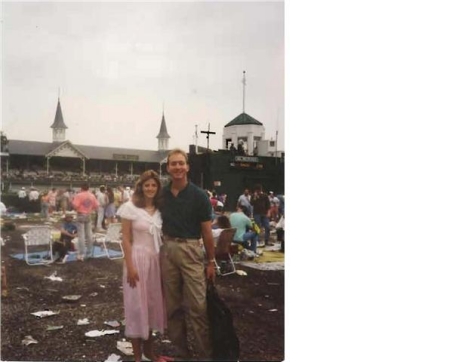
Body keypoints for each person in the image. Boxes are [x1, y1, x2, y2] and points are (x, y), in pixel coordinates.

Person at [160, 148, 215, 360]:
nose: (177, 167)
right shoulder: (162, 194)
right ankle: (182, 355)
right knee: (173, 308)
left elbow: (207, 232)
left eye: (181, 163)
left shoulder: (199, 196)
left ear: (187, 167)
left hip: (191, 249)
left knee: (198, 308)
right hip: (168, 249)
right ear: (168, 168)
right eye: (173, 163)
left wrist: (211, 261)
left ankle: (205, 356)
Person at [116, 170, 166, 362]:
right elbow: (126, 239)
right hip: (137, 260)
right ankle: (138, 357)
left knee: (152, 305)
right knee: (136, 307)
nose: (150, 188)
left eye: (154, 185)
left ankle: (149, 353)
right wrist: (130, 265)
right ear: (141, 187)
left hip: (155, 261)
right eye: (147, 185)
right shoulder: (130, 208)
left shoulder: (161, 209)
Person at [72, 183, 99, 261]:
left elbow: (75, 206)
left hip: (81, 214)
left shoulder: (79, 195)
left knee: (81, 235)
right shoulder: (92, 195)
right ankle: (89, 252)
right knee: (89, 234)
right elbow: (96, 206)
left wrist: (73, 204)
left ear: (81, 188)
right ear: (88, 188)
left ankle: (81, 253)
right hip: (88, 214)